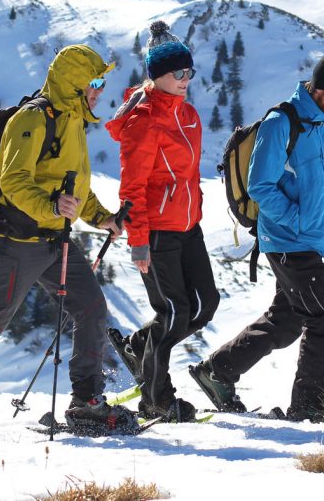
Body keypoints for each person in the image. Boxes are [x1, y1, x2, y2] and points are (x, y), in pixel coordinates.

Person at [0, 44, 137, 434]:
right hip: (16, 241)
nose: (100, 89)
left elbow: (75, 187)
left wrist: (102, 217)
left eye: (102, 82)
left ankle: (86, 401)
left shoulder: (72, 120)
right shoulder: (34, 119)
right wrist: (51, 207)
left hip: (54, 241)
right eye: (95, 82)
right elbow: (12, 181)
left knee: (92, 308)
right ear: (74, 82)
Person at [190, 50, 324, 422]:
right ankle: (310, 409)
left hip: (307, 237)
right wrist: (298, 219)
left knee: (288, 320)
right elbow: (260, 185)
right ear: (317, 90)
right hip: (288, 241)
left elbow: (319, 178)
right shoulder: (283, 122)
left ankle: (216, 372)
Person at [105, 21, 219, 423]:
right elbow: (132, 186)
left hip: (189, 227)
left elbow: (187, 176)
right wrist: (139, 240)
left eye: (189, 72)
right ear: (156, 76)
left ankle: (140, 347)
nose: (186, 80)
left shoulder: (187, 115)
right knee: (173, 314)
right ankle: (156, 398)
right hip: (156, 233)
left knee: (205, 306)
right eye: (178, 73)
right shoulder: (144, 121)